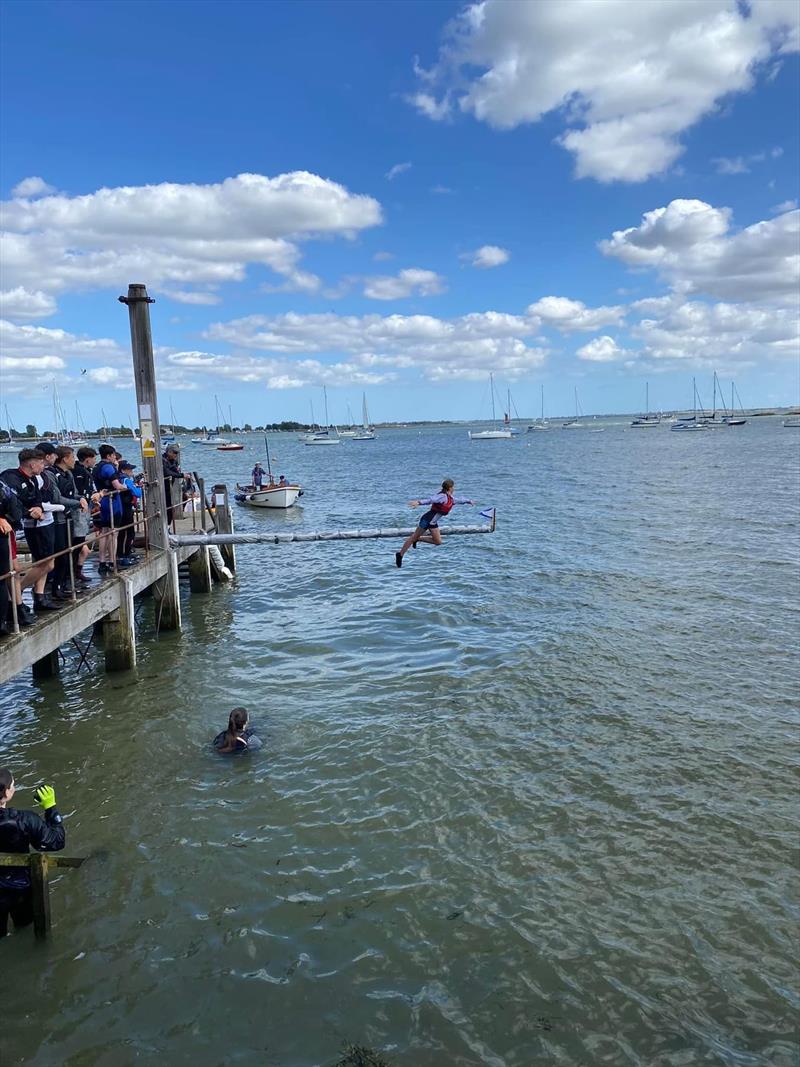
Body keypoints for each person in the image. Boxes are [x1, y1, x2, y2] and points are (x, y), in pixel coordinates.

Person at [0, 768, 66, 938]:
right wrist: (51, 808)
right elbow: (56, 841)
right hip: (20, 889)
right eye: (13, 785)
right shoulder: (25, 820)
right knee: (24, 927)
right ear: (6, 792)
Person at [395, 478, 476, 568]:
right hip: (427, 520)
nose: (454, 489)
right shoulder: (442, 496)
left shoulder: (450, 499)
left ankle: (418, 539)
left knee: (438, 541)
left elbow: (460, 500)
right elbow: (431, 500)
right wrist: (419, 502)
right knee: (413, 537)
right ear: (449, 488)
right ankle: (400, 554)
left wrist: (468, 501)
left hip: (433, 523)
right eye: (453, 487)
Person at [50, 446, 87, 599]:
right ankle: (56, 586)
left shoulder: (69, 474)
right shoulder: (52, 474)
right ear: (64, 458)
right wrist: (77, 503)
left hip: (69, 518)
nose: (74, 460)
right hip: (58, 520)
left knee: (70, 550)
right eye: (72, 457)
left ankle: (66, 583)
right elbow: (57, 499)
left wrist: (81, 499)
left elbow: (75, 493)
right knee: (62, 554)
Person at [93, 445, 126, 576]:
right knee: (114, 532)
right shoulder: (108, 467)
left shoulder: (97, 467)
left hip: (103, 501)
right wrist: (127, 486)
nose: (114, 457)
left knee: (104, 532)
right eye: (113, 455)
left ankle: (102, 561)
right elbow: (117, 485)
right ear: (108, 456)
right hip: (112, 501)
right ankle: (112, 561)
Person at [116, 461, 142, 564]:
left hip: (120, 508)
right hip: (126, 508)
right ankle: (125, 554)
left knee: (122, 532)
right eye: (129, 469)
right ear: (123, 470)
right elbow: (137, 493)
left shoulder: (118, 479)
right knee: (129, 532)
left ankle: (122, 554)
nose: (131, 471)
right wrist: (138, 486)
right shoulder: (126, 480)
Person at [162, 445, 183, 523]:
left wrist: (182, 474)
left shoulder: (174, 461)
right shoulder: (162, 460)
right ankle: (165, 526)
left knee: (170, 508)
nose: (176, 455)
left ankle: (168, 526)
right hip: (161, 487)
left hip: (169, 487)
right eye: (175, 452)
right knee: (165, 508)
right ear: (169, 452)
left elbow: (175, 471)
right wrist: (182, 475)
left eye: (177, 453)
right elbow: (166, 472)